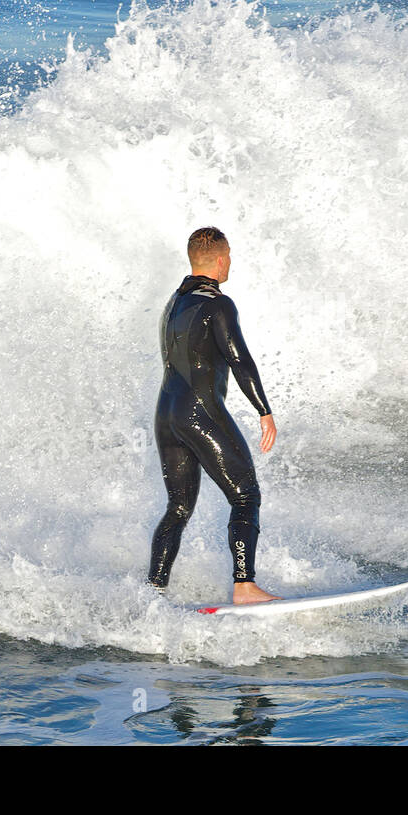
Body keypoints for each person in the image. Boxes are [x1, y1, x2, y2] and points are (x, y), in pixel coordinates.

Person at [147, 227, 280, 604]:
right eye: (230, 258)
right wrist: (264, 410)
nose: (230, 264)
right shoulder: (218, 305)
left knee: (178, 506)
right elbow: (239, 358)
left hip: (166, 415)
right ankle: (245, 586)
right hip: (199, 413)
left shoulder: (174, 302)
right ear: (222, 260)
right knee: (245, 496)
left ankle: (153, 593)